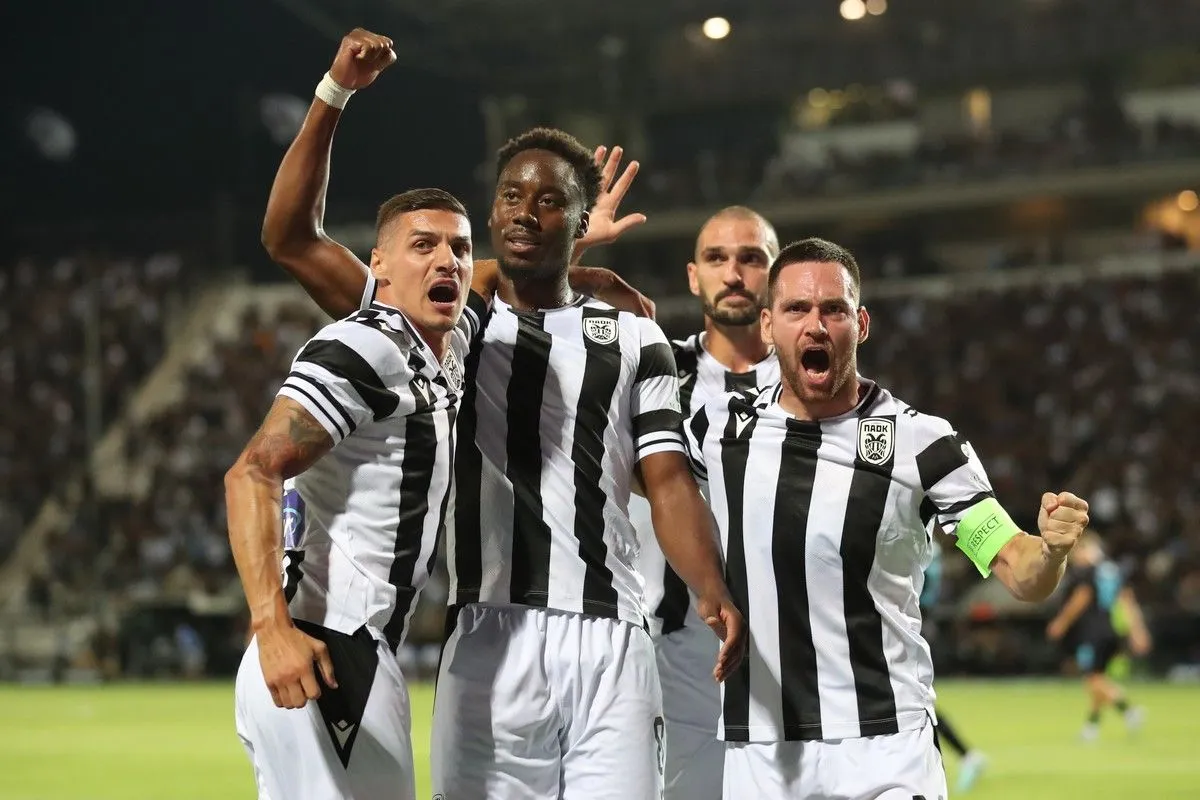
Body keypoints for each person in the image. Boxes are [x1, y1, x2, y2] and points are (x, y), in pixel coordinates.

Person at [261, 27, 746, 800]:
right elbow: (291, 238)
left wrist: (711, 589)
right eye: (511, 197)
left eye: (549, 202)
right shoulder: (443, 322)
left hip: (611, 639)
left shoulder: (633, 336)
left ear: (579, 220)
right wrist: (334, 93)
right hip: (486, 635)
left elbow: (667, 480)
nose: (524, 212)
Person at [681, 237, 1091, 800]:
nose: (816, 325)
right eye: (797, 309)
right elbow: (640, 474)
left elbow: (1021, 573)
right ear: (769, 325)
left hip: (885, 748)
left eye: (834, 309)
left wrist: (1051, 551)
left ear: (862, 324)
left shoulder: (922, 443)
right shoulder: (719, 429)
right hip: (761, 753)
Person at [226, 187, 477, 800]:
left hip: (354, 648)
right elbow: (252, 473)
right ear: (378, 266)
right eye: (424, 245)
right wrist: (271, 628)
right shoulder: (364, 345)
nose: (447, 260)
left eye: (460, 248)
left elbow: (502, 279)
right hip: (326, 644)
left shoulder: (449, 342)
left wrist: (573, 249)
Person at [603, 205, 780, 800]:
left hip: (790, 640)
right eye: (716, 258)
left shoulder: (812, 384)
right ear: (692, 275)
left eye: (751, 258)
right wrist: (576, 254)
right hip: (676, 649)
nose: (733, 273)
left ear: (776, 273)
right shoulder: (651, 370)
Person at [1046, 530, 1149, 741]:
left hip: (1092, 633)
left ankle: (1129, 711)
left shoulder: (1087, 572)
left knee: (1093, 680)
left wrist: (1061, 622)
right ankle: (1091, 727)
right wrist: (1137, 631)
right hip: (1112, 630)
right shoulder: (1113, 569)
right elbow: (1127, 602)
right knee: (1097, 678)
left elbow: (1081, 598)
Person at [920, 540, 988, 793]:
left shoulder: (921, 543)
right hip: (918, 622)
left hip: (911, 625)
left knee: (916, 703)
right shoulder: (929, 544)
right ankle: (967, 756)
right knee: (916, 702)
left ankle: (966, 756)